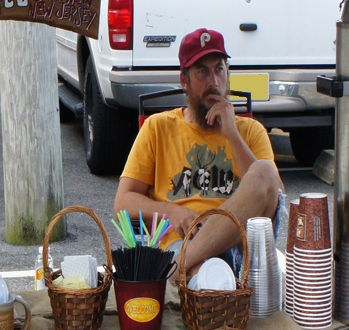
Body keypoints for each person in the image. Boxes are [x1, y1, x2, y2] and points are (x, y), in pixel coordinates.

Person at [113, 27, 284, 280]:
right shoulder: (158, 127)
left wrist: (233, 135)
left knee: (264, 171)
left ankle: (174, 274)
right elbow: (123, 203)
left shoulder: (250, 131)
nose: (214, 82)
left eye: (219, 69)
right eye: (202, 71)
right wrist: (171, 212)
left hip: (236, 249)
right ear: (185, 81)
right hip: (178, 242)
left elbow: (274, 194)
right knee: (205, 276)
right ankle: (187, 269)